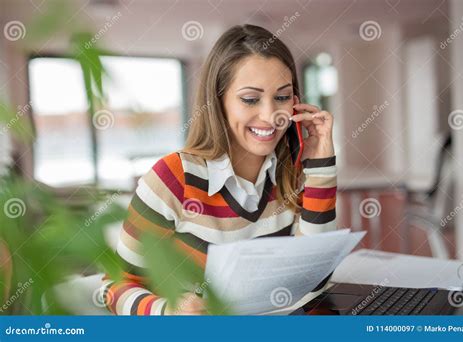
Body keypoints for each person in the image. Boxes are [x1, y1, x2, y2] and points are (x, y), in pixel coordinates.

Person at [102, 24, 337, 315]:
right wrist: (168, 312)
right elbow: (112, 287)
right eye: (250, 99)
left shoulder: (293, 173)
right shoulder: (174, 178)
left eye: (281, 97)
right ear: (218, 102)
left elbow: (315, 278)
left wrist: (320, 165)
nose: (270, 116)